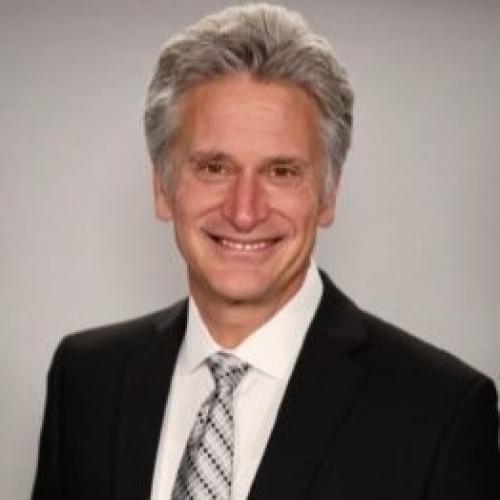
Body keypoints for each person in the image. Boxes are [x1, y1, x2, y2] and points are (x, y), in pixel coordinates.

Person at [32, 4, 500, 499]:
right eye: (214, 168)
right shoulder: (85, 380)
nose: (244, 211)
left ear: (328, 195)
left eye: (281, 172)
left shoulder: (440, 413)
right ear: (163, 188)